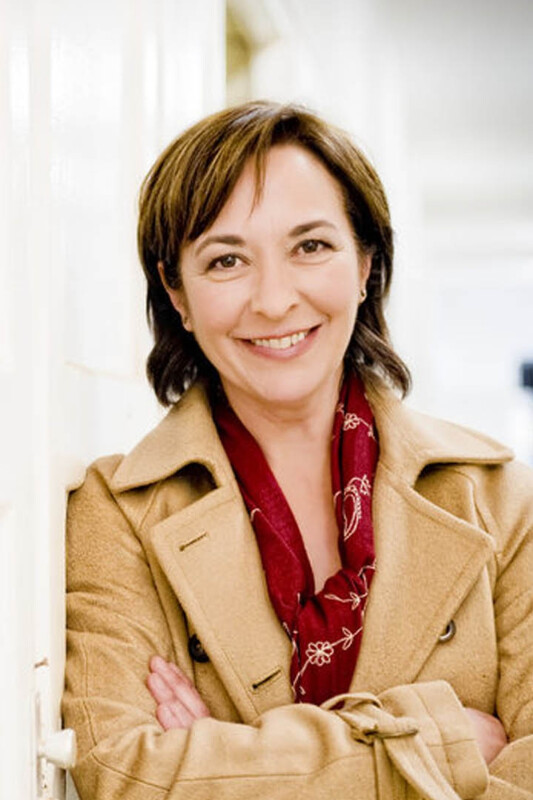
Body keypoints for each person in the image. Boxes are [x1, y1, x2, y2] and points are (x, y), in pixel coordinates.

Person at [63, 101, 533, 800]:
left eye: (310, 247)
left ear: (366, 263)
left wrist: (230, 763)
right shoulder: (119, 513)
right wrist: (439, 744)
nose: (274, 300)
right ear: (176, 292)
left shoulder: (500, 500)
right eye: (226, 260)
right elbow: (127, 772)